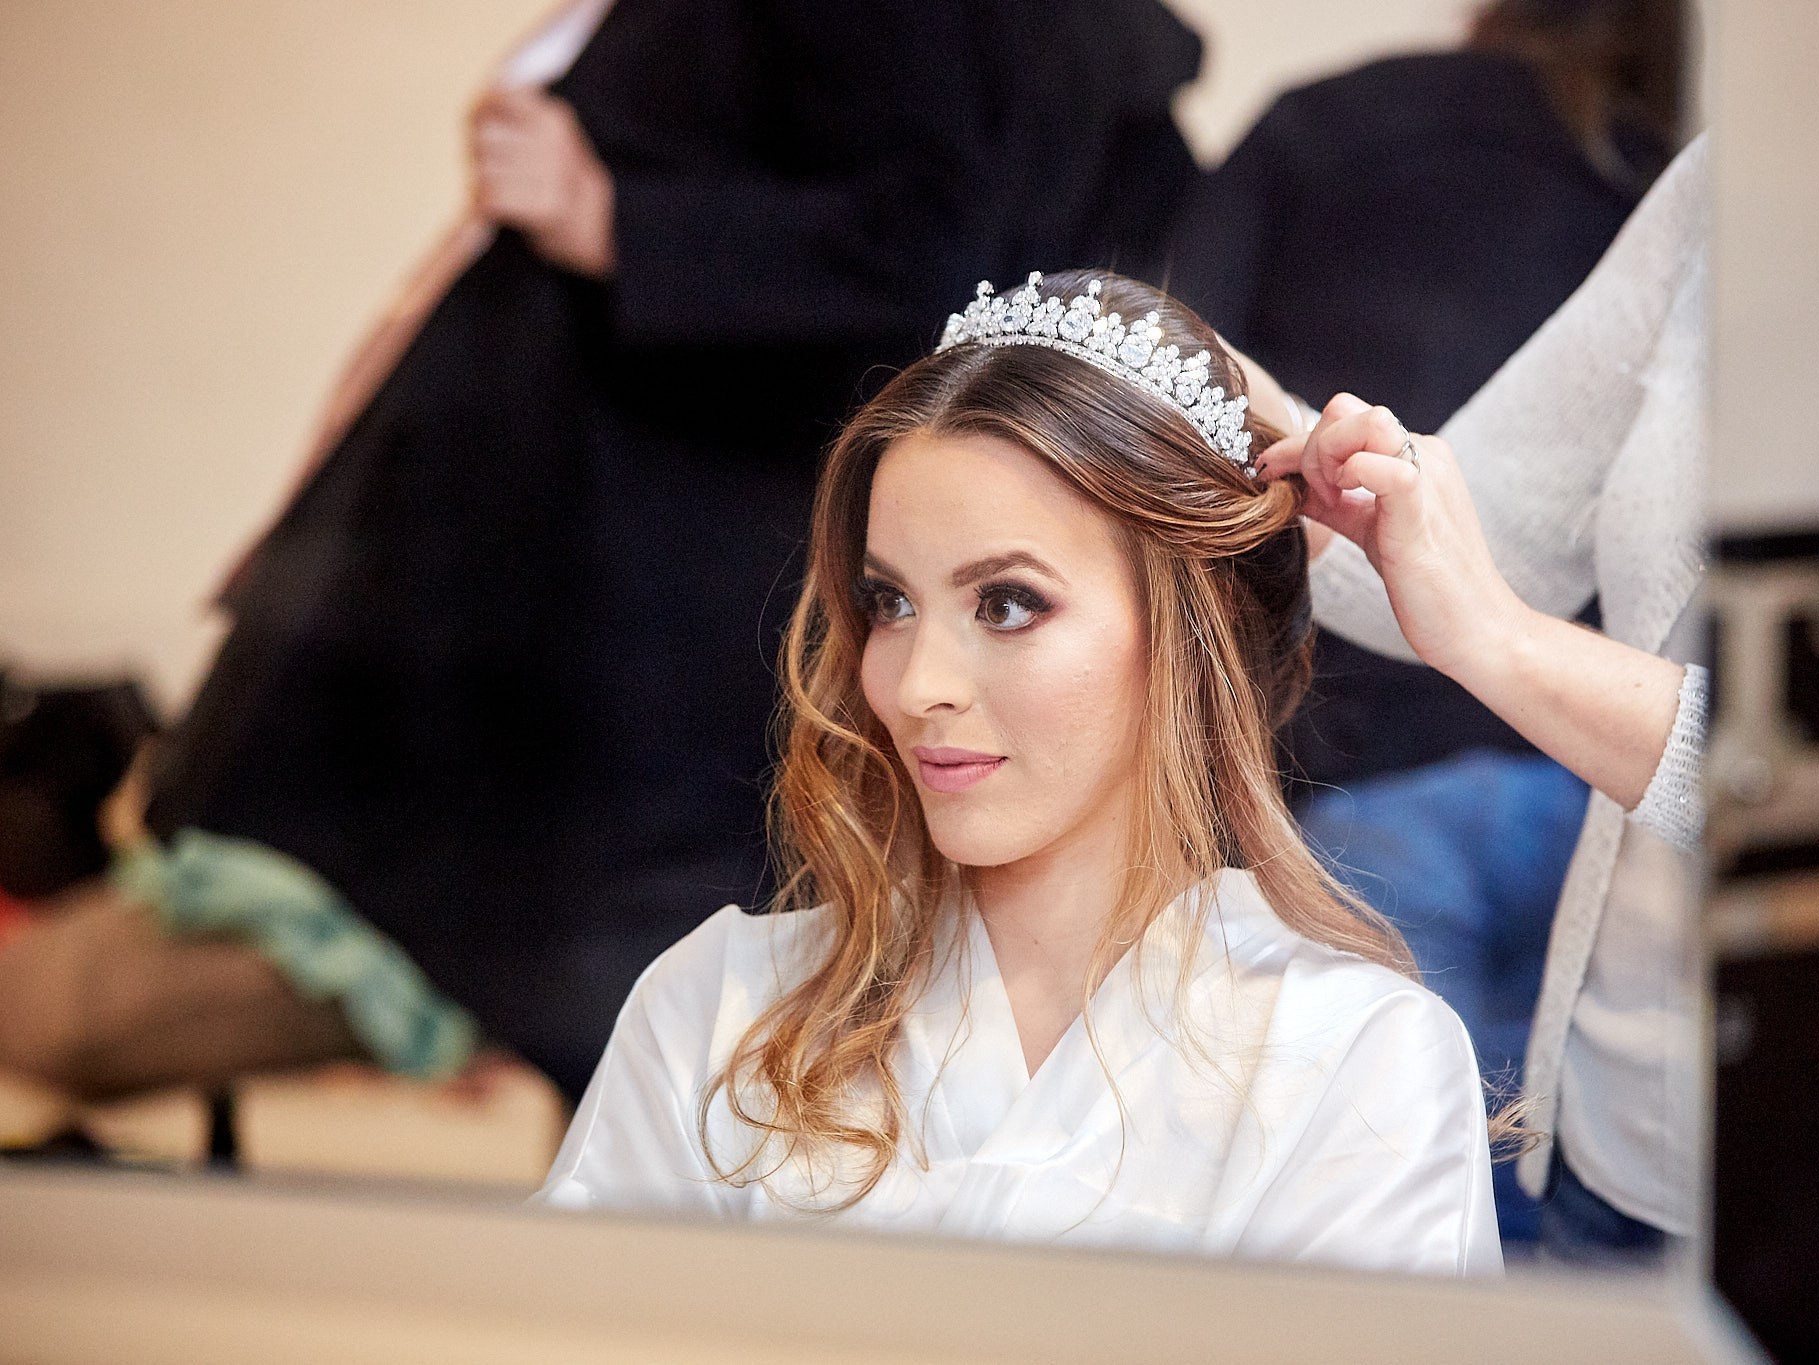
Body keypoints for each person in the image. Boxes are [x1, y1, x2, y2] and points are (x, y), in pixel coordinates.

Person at [144, 1, 1206, 1096]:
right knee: (656, 1027)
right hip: (635, 624)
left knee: (669, 1013)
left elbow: (927, 250)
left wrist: (609, 216)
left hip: (670, 631)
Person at [536, 271, 1502, 1276]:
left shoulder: (1351, 1058)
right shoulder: (718, 1009)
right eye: (889, 603)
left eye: (1005, 604)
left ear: (1189, 628)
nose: (916, 685)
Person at [1254, 135, 1709, 1262]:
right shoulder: (1726, 184)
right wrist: (1239, 428)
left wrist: (1501, 643)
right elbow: (1471, 540)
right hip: (1615, 1127)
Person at [1173, 0, 1685, 790]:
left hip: (1329, 724)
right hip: (1567, 763)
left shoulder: (1320, 122)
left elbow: (1183, 350)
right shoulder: (1658, 187)